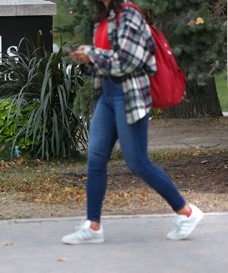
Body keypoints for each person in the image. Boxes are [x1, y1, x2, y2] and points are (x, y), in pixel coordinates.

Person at [62, 0, 204, 245]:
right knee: (95, 159)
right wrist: (87, 60)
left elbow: (130, 61)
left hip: (130, 96)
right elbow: (107, 63)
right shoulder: (104, 17)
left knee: (138, 162)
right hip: (107, 96)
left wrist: (93, 54)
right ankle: (93, 226)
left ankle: (187, 212)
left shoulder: (129, 14)